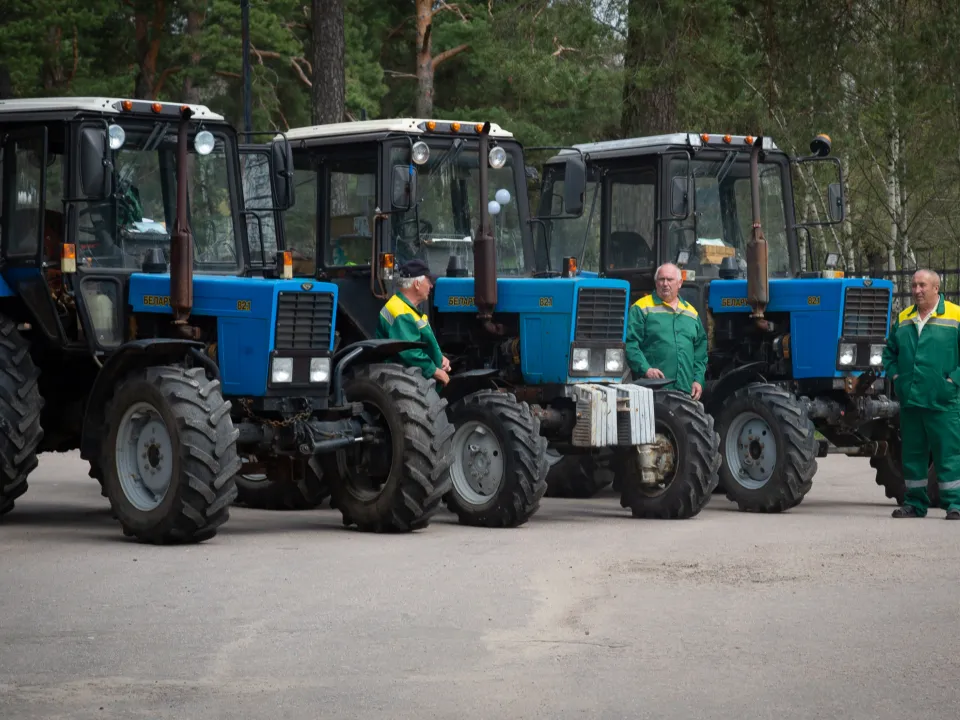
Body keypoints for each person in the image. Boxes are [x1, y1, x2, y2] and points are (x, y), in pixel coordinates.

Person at [882, 268, 960, 519]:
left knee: (949, 454)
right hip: (911, 400)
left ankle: (956, 504)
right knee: (913, 455)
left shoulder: (956, 316)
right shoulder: (904, 318)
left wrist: (952, 381)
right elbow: (889, 353)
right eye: (914, 285)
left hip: (943, 401)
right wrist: (896, 377)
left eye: (922, 285)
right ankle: (914, 503)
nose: (916, 290)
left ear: (936, 288)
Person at [625, 262, 706, 401]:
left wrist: (698, 380)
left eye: (670, 280)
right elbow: (630, 344)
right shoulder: (641, 308)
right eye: (661, 279)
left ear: (680, 283)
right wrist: (646, 370)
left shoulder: (691, 313)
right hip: (653, 391)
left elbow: (700, 352)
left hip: (685, 392)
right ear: (656, 283)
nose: (665, 284)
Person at [376, 258, 452, 386]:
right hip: (402, 381)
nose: (431, 286)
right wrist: (436, 371)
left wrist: (440, 358)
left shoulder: (408, 309)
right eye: (429, 281)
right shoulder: (399, 311)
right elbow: (410, 352)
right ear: (417, 284)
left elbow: (420, 344)